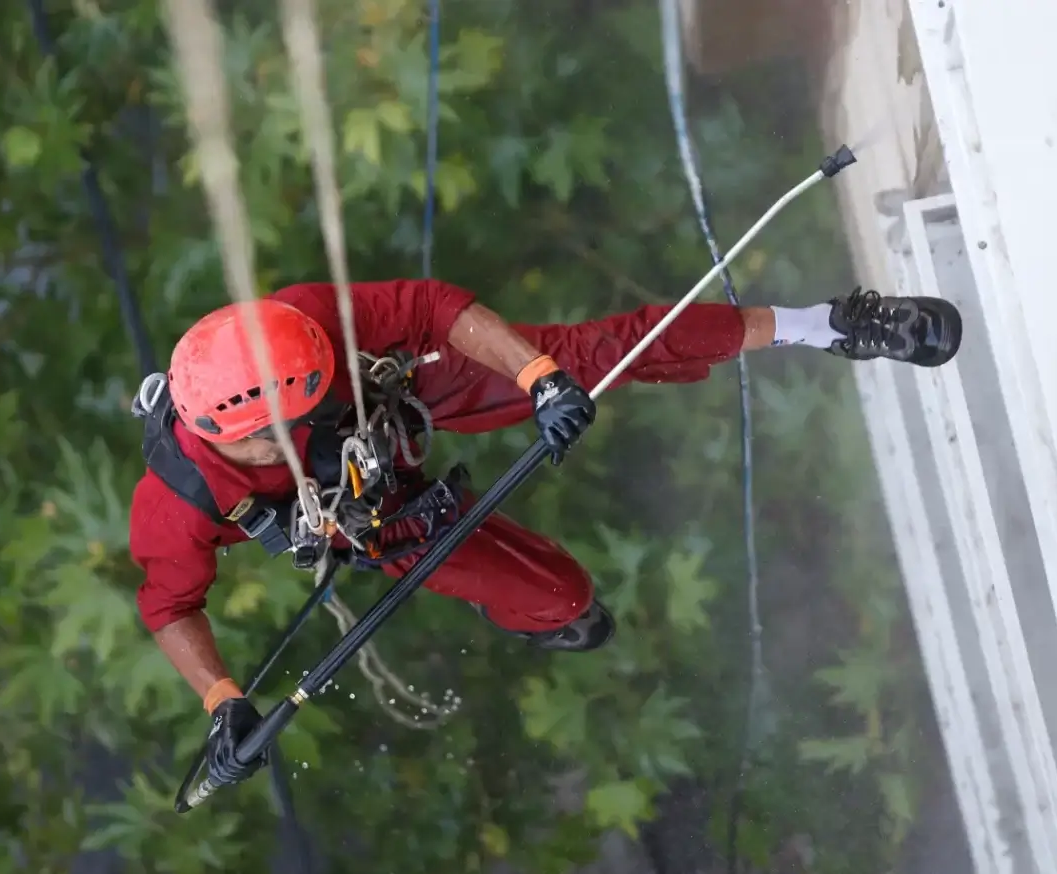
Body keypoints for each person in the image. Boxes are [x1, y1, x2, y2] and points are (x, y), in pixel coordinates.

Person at [129, 278, 961, 786]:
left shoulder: (298, 325)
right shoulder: (179, 500)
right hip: (365, 513)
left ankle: (832, 324)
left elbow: (430, 309)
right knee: (566, 599)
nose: (306, 421)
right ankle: (534, 613)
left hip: (397, 401)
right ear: (235, 432)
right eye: (292, 422)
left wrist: (541, 377)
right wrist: (222, 700)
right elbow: (170, 608)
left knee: (600, 351)